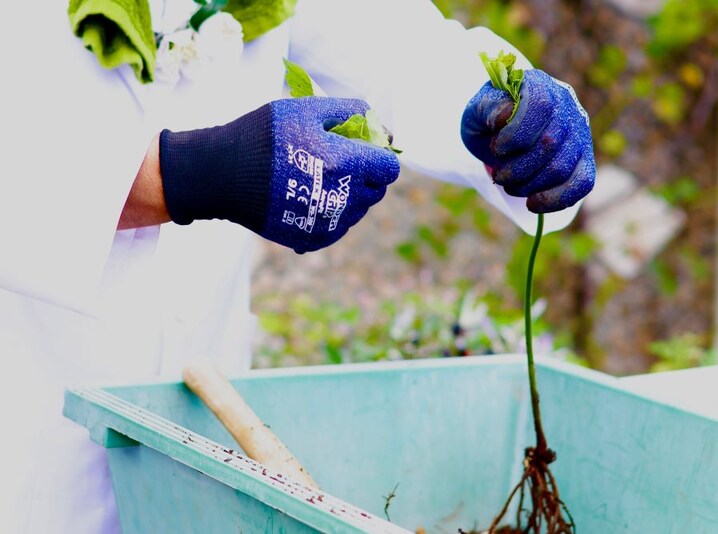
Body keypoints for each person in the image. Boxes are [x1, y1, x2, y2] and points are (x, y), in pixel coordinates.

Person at [0, 0, 594, 531]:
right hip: (26, 439)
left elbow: (397, 47)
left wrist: (501, 108)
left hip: (204, 445)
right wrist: (188, 174)